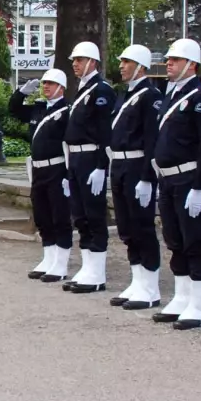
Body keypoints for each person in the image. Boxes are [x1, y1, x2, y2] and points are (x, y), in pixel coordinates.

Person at [151, 40, 201, 329]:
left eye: (176, 60)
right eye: (169, 59)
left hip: (189, 177)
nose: (169, 63)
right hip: (168, 177)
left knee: (194, 241)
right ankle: (182, 295)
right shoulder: (170, 94)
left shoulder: (200, 98)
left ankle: (200, 304)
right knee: (174, 239)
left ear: (191, 65)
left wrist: (200, 186)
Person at [96, 45, 164, 304]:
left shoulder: (150, 96)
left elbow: (151, 139)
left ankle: (150, 287)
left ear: (141, 66)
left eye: (127, 62)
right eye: (122, 61)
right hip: (121, 166)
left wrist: (147, 177)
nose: (122, 66)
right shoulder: (125, 95)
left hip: (137, 166)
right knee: (126, 227)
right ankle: (138, 281)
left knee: (142, 226)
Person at [57, 43, 116, 291]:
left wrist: (102, 165)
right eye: (74, 60)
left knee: (93, 215)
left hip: (92, 157)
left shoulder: (101, 90)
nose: (74, 64)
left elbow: (104, 131)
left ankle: (97, 272)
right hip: (77, 158)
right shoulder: (82, 89)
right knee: (80, 216)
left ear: (93, 62)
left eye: (79, 60)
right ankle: (87, 266)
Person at [9, 69, 72, 280]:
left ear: (61, 88)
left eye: (51, 84)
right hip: (37, 169)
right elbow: (14, 109)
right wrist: (22, 93)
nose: (46, 87)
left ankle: (61, 263)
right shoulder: (38, 109)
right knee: (42, 214)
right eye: (44, 83)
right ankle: (48, 257)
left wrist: (68, 175)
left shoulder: (66, 111)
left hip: (57, 168)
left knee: (59, 215)